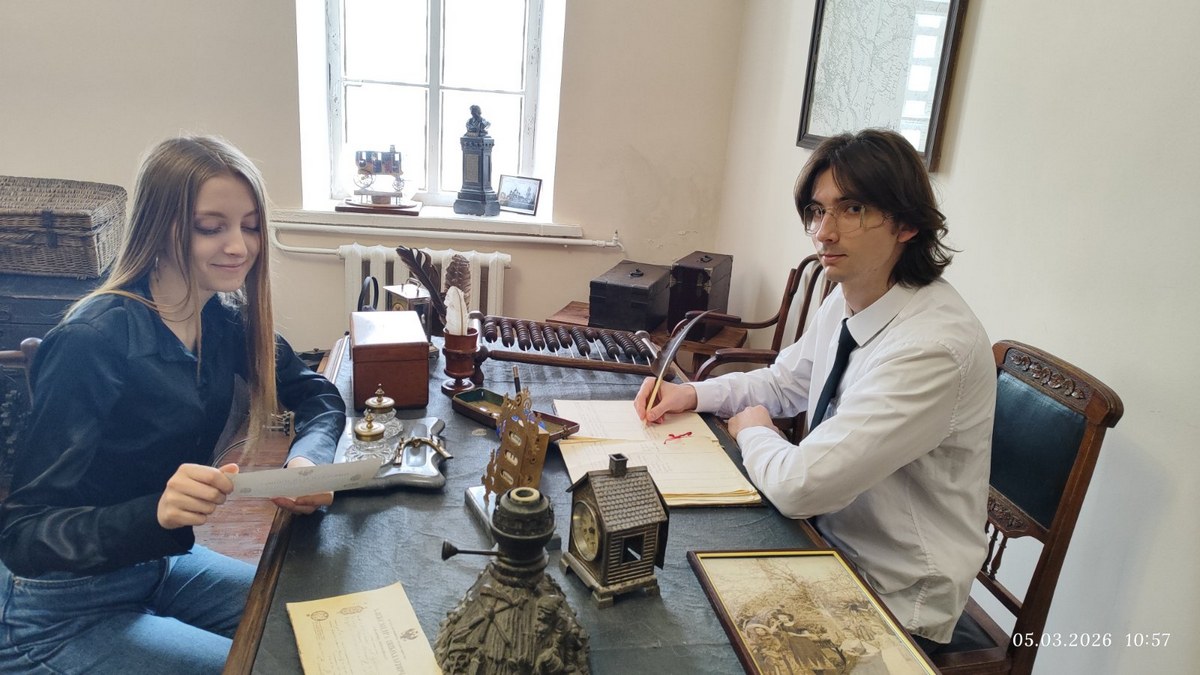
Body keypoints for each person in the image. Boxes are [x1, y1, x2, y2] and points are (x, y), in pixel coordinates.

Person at [635, 129, 995, 648]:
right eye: (817, 211)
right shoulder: (851, 296)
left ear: (907, 224)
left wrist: (753, 429)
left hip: (892, 594)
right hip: (822, 540)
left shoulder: (932, 348)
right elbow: (786, 381)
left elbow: (799, 487)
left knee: (672, 630)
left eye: (852, 210)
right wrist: (693, 394)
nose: (824, 233)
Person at [0, 135, 346, 672]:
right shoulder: (93, 341)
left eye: (251, 226)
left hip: (156, 562)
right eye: (211, 227)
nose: (239, 246)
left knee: (329, 624)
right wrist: (154, 513)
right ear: (159, 228)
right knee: (272, 664)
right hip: (56, 611)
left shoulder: (223, 320)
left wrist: (308, 460)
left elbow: (317, 394)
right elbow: (24, 534)